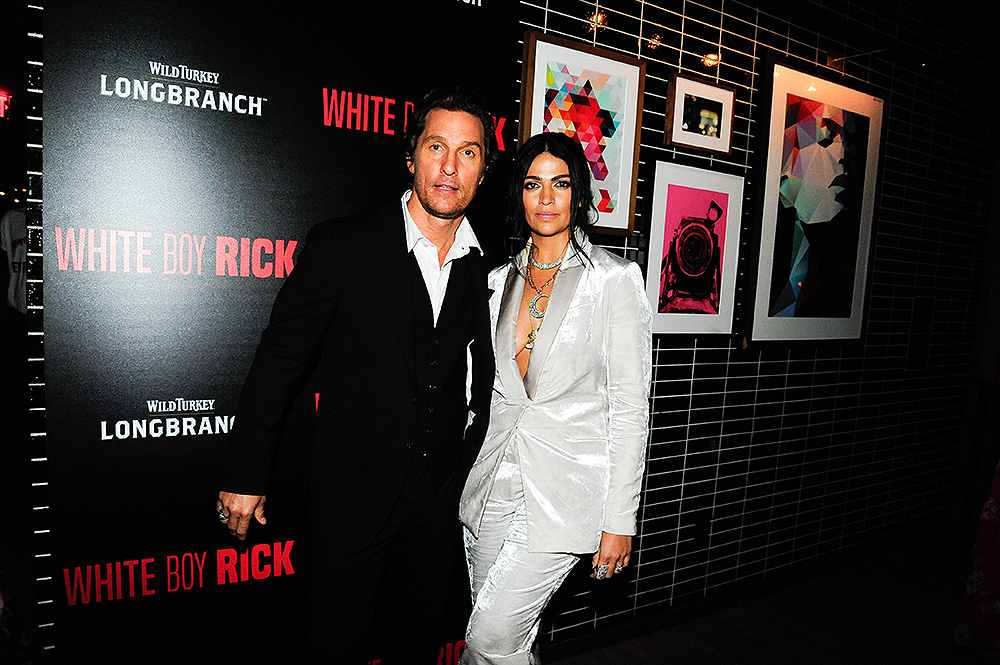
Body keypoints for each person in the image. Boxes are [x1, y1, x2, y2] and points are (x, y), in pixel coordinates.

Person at [216, 86, 498, 664]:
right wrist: (247, 472)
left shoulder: (482, 265)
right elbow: (279, 361)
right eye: (436, 147)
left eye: (468, 153)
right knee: (333, 645)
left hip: (435, 507)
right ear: (411, 155)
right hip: (352, 503)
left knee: (414, 649)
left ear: (483, 169)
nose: (450, 166)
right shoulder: (343, 245)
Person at [458, 132, 652, 664]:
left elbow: (631, 409)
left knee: (486, 640)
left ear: (579, 194)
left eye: (560, 184)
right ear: (519, 196)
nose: (546, 198)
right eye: (532, 184)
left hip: (566, 494)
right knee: (509, 641)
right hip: (490, 486)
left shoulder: (614, 280)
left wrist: (620, 519)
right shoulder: (497, 281)